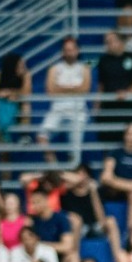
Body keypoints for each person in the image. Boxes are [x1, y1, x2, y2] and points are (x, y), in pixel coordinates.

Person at [38, 36, 90, 165]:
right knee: (42, 137)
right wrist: (73, 89)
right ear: (62, 51)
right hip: (57, 110)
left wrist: (60, 88)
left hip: (78, 112)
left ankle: (72, 174)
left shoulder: (84, 68)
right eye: (67, 49)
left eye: (72, 49)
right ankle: (55, 168)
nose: (70, 52)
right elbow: (50, 91)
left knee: (75, 152)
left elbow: (84, 89)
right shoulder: (54, 69)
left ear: (77, 50)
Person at [99, 122, 132, 234]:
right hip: (114, 190)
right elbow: (106, 177)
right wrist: (127, 185)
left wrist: (120, 183)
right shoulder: (115, 153)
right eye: (130, 134)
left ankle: (131, 232)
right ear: (125, 135)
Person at [95, 30, 132, 145]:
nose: (108, 44)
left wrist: (127, 93)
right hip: (108, 107)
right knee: (107, 141)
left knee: (130, 140)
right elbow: (101, 85)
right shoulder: (103, 60)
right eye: (106, 42)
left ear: (121, 41)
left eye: (111, 41)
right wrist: (97, 105)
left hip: (129, 106)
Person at [0, 53, 31, 160]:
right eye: (21, 65)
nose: (24, 68)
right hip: (0, 117)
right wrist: (2, 93)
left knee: (26, 104)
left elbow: (26, 93)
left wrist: (11, 93)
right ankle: (5, 176)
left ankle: (24, 135)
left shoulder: (26, 75)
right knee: (4, 155)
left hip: (17, 116)